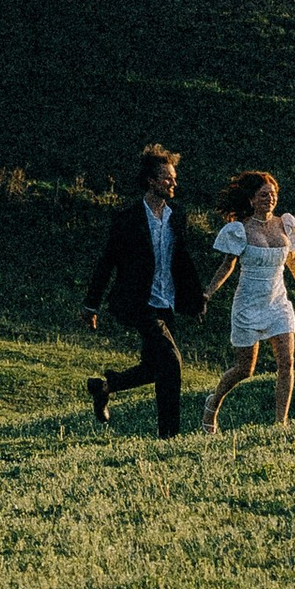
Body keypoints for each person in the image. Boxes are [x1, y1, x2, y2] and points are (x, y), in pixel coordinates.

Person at [83, 142, 209, 439]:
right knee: (172, 362)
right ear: (151, 181)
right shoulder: (127, 217)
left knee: (156, 367)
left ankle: (104, 387)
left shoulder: (177, 215)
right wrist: (91, 305)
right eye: (167, 178)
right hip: (138, 302)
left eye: (174, 178)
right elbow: (107, 261)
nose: (173, 183)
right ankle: (169, 436)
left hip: (167, 300)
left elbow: (182, 260)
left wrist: (195, 299)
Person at [199, 169, 295, 433]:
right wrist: (208, 293)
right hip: (248, 305)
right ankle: (213, 403)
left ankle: (280, 424)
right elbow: (227, 265)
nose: (269, 199)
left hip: (278, 303)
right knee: (244, 369)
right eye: (263, 195)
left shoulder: (284, 224)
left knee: (287, 362)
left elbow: (291, 258)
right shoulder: (241, 229)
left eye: (273, 194)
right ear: (251, 199)